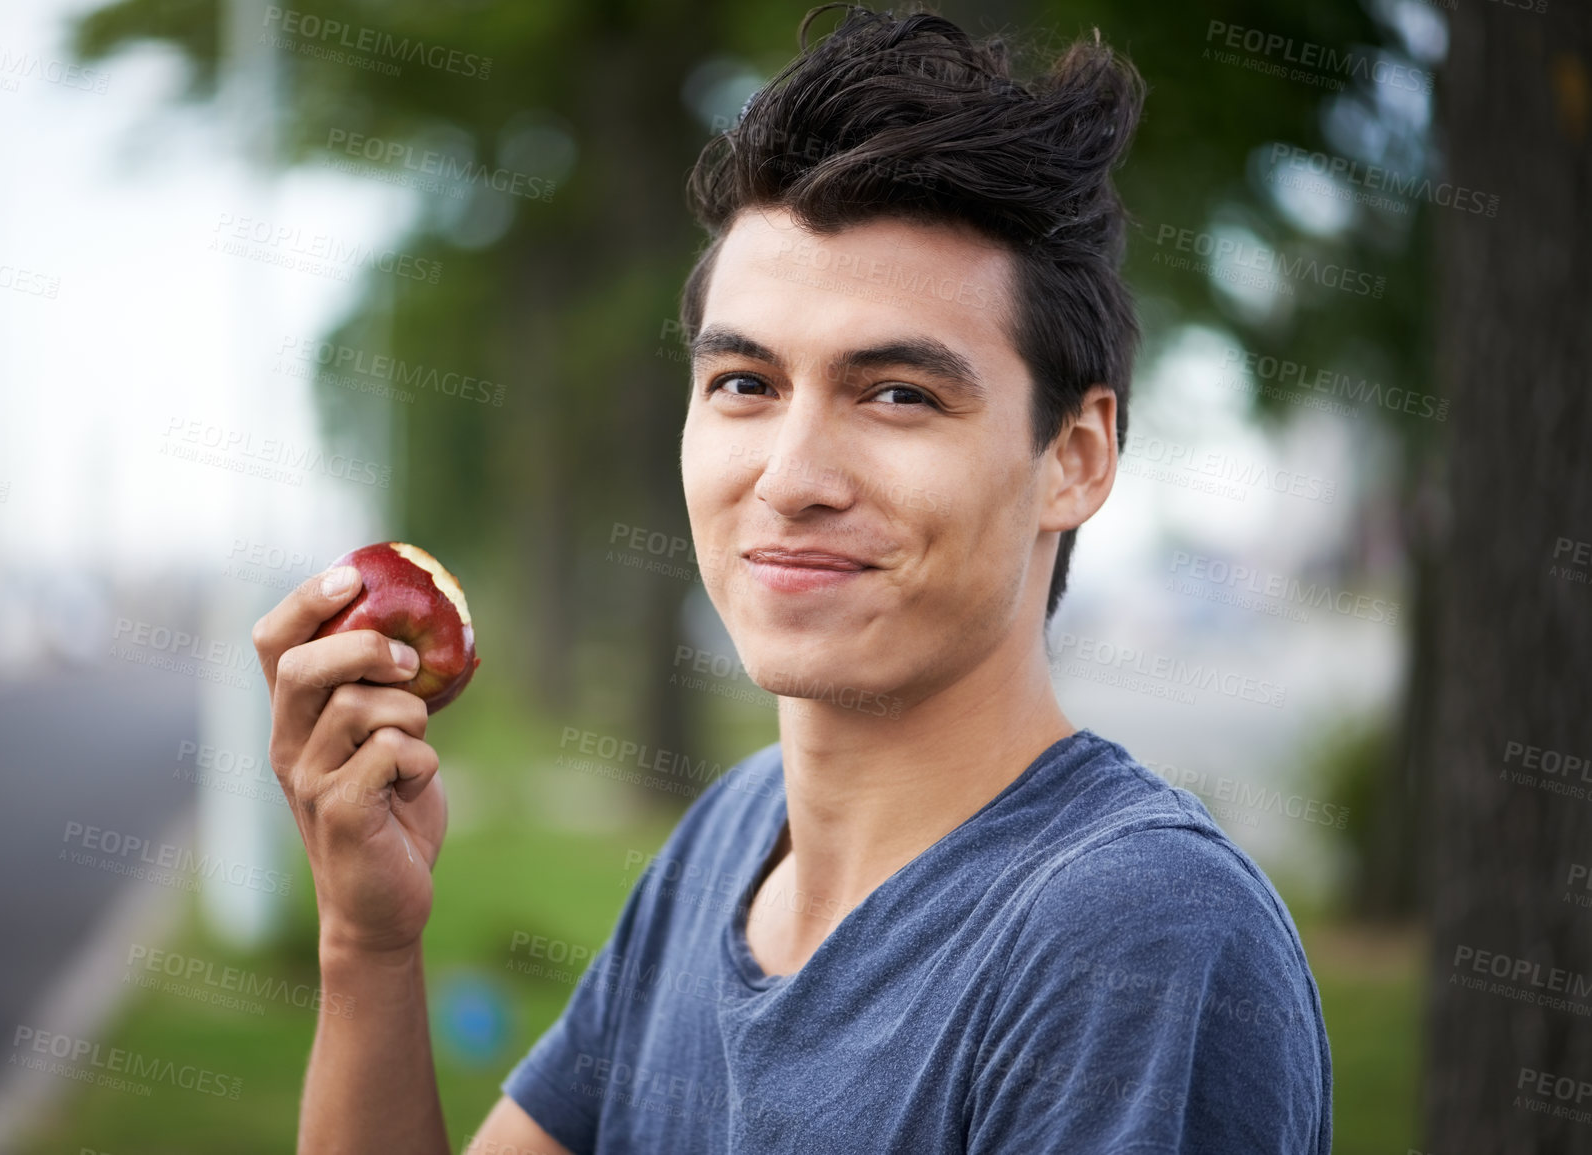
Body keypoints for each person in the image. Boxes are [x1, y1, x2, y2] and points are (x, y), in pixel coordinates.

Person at [250, 5, 1332, 1152]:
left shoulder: (1129, 937)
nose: (792, 477)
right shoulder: (727, 841)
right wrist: (368, 945)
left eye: (899, 393)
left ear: (1075, 457)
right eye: (745, 385)